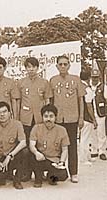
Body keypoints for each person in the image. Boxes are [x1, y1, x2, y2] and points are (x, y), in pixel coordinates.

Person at [49, 55, 85, 183]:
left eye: (65, 64)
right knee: (57, 147)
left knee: (72, 146)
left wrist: (81, 117)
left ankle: (74, 173)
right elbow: (51, 102)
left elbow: (81, 100)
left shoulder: (76, 80)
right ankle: (56, 174)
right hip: (58, 120)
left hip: (72, 118)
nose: (63, 66)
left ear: (69, 65)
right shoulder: (52, 80)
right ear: (57, 66)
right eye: (60, 64)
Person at [17, 57, 52, 181]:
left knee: (39, 146)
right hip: (25, 118)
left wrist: (47, 116)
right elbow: (18, 101)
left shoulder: (44, 82)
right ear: (25, 68)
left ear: (38, 68)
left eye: (33, 67)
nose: (31, 69)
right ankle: (26, 172)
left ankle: (39, 172)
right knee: (26, 147)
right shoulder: (20, 82)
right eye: (28, 67)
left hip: (39, 119)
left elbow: (47, 100)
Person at [0, 101, 26, 189]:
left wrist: (10, 156)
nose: (2, 115)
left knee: (25, 152)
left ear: (9, 113)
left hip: (11, 156)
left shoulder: (17, 124)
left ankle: (17, 180)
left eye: (4, 111)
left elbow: (23, 142)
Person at [30, 104, 69, 187]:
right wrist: (36, 153)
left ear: (55, 117)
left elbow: (65, 149)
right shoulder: (36, 128)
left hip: (54, 160)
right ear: (42, 117)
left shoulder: (62, 130)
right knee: (30, 156)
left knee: (63, 175)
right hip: (40, 158)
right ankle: (38, 178)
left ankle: (50, 177)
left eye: (51, 116)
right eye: (46, 116)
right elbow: (32, 145)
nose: (48, 119)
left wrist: (61, 162)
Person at [87, 69, 107, 160]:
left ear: (99, 77)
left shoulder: (103, 87)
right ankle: (94, 150)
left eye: (96, 77)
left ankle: (102, 151)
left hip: (101, 112)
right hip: (91, 113)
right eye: (93, 77)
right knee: (92, 132)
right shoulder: (88, 87)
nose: (95, 79)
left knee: (101, 132)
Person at [79, 66, 96, 164]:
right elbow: (89, 106)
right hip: (86, 117)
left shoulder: (80, 86)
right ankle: (83, 159)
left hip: (82, 116)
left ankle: (88, 156)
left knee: (85, 137)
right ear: (89, 78)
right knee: (85, 138)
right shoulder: (87, 89)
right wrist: (93, 119)